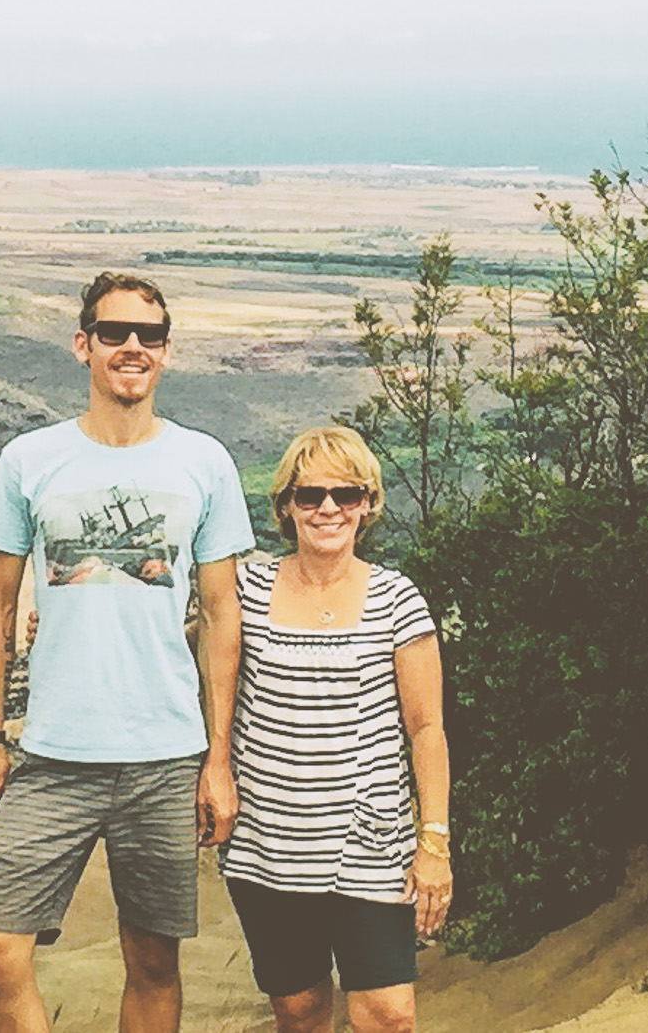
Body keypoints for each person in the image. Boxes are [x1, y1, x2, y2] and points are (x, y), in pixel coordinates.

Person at [0, 270, 255, 1033]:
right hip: (54, 752)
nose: (133, 347)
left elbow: (223, 614)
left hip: (163, 752)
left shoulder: (205, 462)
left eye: (149, 336)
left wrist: (216, 758)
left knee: (153, 962)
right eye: (115, 333)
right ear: (82, 345)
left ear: (166, 352)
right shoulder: (31, 459)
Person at [221, 425, 452, 1033]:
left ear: (367, 504)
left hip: (369, 845)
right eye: (311, 494)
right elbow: (171, 646)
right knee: (299, 1012)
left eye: (346, 495)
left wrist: (434, 842)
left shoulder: (397, 599)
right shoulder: (243, 590)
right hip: (270, 844)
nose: (328, 508)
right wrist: (57, 619)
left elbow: (427, 729)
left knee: (388, 1015)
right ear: (286, 506)